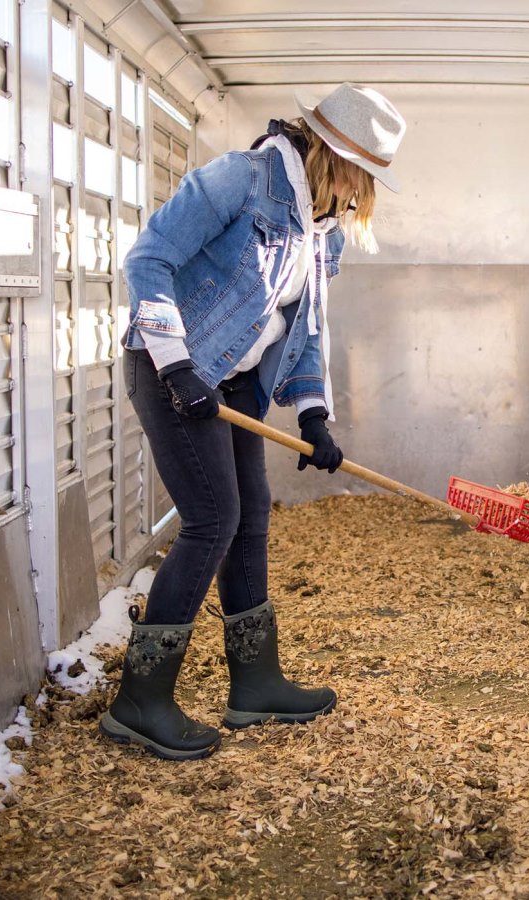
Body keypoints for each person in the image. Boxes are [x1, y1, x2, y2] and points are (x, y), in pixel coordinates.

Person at [99, 83, 406, 761]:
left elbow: (308, 330)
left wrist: (315, 415)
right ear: (335, 157)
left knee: (252, 513)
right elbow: (148, 260)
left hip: (237, 381)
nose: (361, 198)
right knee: (213, 518)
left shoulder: (324, 229)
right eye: (362, 179)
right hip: (172, 371)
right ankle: (140, 701)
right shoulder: (238, 180)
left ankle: (255, 683)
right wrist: (177, 365)